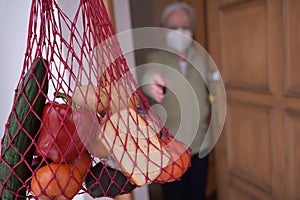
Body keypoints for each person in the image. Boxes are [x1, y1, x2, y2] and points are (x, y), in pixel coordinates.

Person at [140, 2, 214, 200]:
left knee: (198, 194)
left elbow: (214, 83)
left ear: (193, 29)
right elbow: (148, 75)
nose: (180, 31)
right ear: (164, 31)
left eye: (185, 26)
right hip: (170, 149)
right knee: (175, 196)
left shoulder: (201, 57)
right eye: (173, 27)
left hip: (201, 145)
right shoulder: (157, 57)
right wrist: (152, 83)